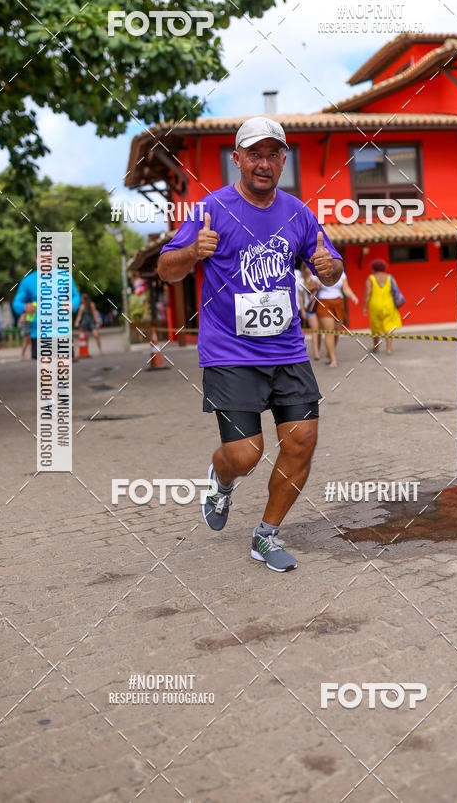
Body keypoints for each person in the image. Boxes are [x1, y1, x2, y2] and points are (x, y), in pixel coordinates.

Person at [157, 116, 343, 572]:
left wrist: (327, 267)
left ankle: (266, 535)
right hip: (230, 354)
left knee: (301, 442)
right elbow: (167, 269)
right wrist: (190, 252)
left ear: (283, 160)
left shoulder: (299, 213)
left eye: (272, 154)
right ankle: (221, 481)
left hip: (288, 351)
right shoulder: (211, 209)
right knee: (245, 455)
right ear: (237, 159)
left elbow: (331, 266)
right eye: (254, 154)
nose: (264, 163)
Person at [13, 263, 81, 359]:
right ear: (37, 259)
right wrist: (24, 307)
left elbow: (76, 296)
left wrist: (72, 305)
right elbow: (16, 303)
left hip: (62, 330)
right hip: (39, 333)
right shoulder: (28, 280)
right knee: (45, 369)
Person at [315, 270, 358, 368]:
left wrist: (353, 296)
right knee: (329, 332)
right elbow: (310, 287)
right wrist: (315, 284)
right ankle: (333, 359)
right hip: (323, 302)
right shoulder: (318, 271)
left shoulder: (341, 273)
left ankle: (330, 352)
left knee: (337, 332)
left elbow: (346, 288)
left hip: (338, 302)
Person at [363, 259, 402, 355]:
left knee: (375, 327)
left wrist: (364, 307)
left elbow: (368, 293)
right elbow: (396, 290)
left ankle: (376, 348)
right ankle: (389, 349)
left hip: (375, 305)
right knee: (389, 327)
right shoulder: (389, 277)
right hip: (388, 304)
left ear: (373, 268)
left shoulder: (371, 278)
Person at [299, 262, 321, 360]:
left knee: (318, 331)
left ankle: (317, 351)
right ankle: (316, 353)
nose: (308, 269)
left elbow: (319, 285)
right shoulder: (300, 281)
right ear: (303, 269)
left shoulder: (315, 278)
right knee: (314, 330)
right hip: (309, 308)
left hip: (319, 307)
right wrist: (303, 310)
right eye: (306, 268)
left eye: (309, 267)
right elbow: (300, 297)